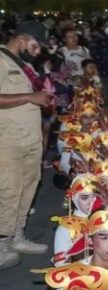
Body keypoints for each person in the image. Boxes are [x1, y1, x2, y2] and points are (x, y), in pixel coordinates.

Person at [0, 20, 53, 270]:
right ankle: (1, 244)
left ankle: (17, 236)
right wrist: (31, 97)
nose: (37, 51)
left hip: (29, 138)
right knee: (8, 190)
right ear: (22, 38)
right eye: (35, 45)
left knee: (28, 187)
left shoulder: (23, 66)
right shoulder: (1, 59)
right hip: (8, 139)